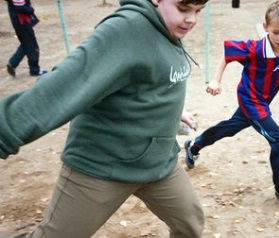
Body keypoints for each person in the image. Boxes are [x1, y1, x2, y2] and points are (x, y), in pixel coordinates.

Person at [0, 0, 208, 237]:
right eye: (183, 8)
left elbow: (149, 74)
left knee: (190, 224)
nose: (191, 19)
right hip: (102, 165)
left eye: (198, 11)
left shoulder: (168, 26)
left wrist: (169, 109)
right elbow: (62, 87)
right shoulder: (126, 30)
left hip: (158, 163)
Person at [184, 0, 279, 205]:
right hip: (250, 100)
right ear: (265, 27)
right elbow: (227, 54)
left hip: (263, 101)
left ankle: (194, 146)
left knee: (231, 128)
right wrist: (216, 80)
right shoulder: (254, 49)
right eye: (276, 32)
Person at [5, 0, 48, 77]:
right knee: (32, 46)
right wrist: (30, 9)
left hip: (18, 20)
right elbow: (20, 7)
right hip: (22, 21)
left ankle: (13, 63)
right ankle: (34, 69)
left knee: (26, 44)